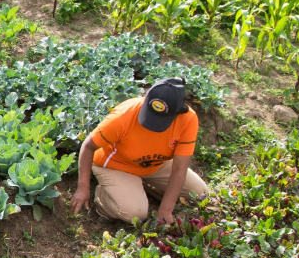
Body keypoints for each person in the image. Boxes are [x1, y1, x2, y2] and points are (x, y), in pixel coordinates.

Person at [70, 77, 208, 224]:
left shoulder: (188, 119)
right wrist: (83, 187)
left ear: (178, 112)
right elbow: (88, 146)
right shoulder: (124, 115)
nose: (152, 124)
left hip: (154, 165)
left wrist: (166, 209)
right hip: (116, 165)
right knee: (135, 214)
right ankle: (103, 196)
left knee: (199, 194)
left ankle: (143, 188)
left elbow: (180, 167)